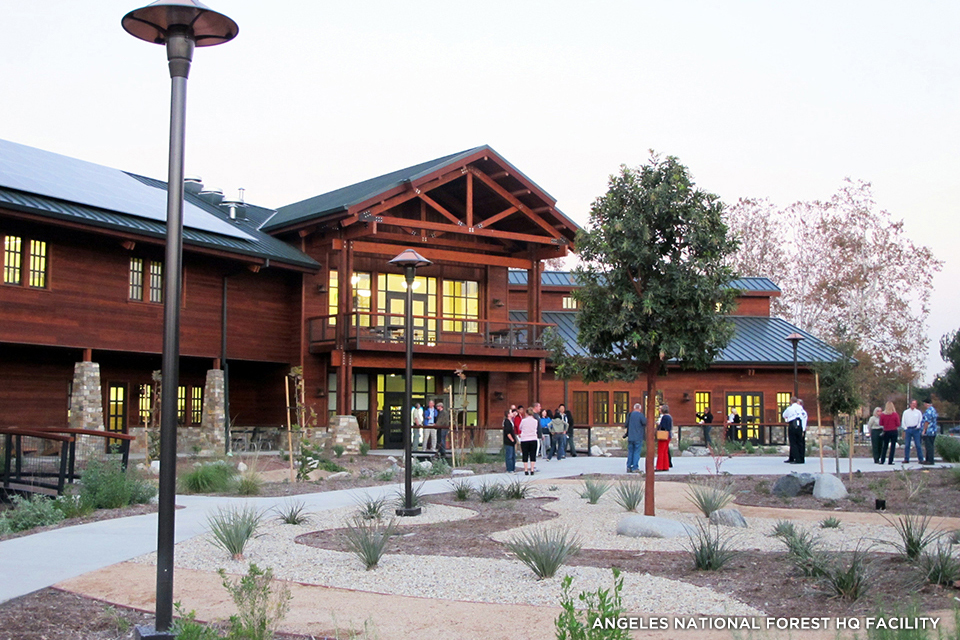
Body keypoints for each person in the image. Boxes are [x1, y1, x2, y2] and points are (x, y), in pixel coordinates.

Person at [624, 403, 646, 473]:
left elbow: (626, 425)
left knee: (630, 452)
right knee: (637, 452)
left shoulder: (629, 415)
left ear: (634, 408)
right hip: (638, 437)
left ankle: (628, 466)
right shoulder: (641, 415)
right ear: (640, 408)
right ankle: (635, 467)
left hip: (630, 437)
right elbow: (645, 423)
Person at [518, 405, 540, 475]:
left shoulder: (523, 421)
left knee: (525, 454)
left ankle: (526, 470)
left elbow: (520, 427)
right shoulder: (535, 421)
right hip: (533, 438)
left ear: (526, 413)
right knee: (532, 454)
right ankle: (532, 469)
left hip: (524, 439)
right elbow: (536, 428)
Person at [782, 397, 804, 464]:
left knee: (793, 442)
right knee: (800, 442)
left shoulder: (790, 408)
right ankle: (801, 458)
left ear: (791, 401)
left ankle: (796, 459)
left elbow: (784, 415)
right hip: (799, 424)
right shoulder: (800, 408)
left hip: (793, 423)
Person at [901, 399, 923, 464]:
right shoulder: (906, 412)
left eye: (915, 404)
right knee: (907, 445)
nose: (914, 405)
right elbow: (903, 421)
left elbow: (920, 420)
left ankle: (921, 459)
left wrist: (918, 427)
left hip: (916, 429)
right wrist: (905, 428)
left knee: (918, 445)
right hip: (908, 429)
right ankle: (906, 459)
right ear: (910, 404)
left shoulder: (918, 412)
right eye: (913, 403)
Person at [879, 401, 900, 465]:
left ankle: (882, 460)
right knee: (892, 446)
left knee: (885, 446)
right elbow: (898, 424)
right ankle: (890, 460)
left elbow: (881, 423)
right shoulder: (895, 414)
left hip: (886, 431)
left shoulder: (883, 415)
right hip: (894, 431)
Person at [921, 398, 939, 465]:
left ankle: (930, 460)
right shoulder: (933, 410)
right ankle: (928, 459)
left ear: (926, 403)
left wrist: (924, 430)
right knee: (930, 445)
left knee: (929, 446)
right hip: (933, 431)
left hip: (929, 431)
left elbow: (927, 422)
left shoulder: (928, 411)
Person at [655, 404, 673, 471]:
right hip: (668, 435)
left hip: (663, 435)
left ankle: (659, 467)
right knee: (665, 452)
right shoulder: (669, 417)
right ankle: (665, 466)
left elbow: (662, 426)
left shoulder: (664, 417)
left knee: (661, 451)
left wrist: (658, 425)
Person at [502, 408, 517, 473]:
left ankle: (513, 468)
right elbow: (508, 432)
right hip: (509, 441)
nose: (512, 413)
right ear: (508, 414)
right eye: (511, 412)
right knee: (509, 455)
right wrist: (512, 439)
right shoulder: (507, 422)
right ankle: (509, 469)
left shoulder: (511, 421)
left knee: (513, 455)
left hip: (512, 442)